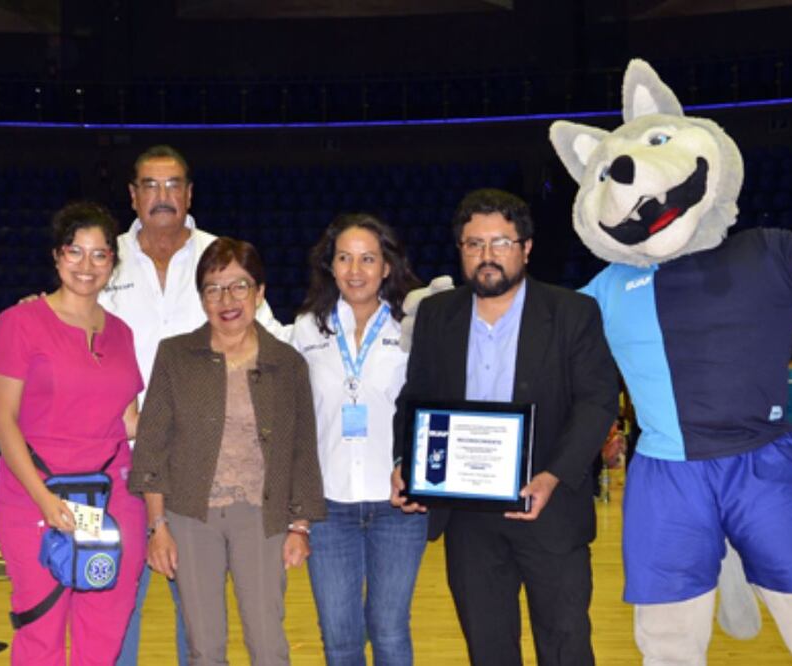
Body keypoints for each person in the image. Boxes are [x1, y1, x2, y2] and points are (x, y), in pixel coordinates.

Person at [390, 189, 618, 666]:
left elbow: (596, 403)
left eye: (500, 242)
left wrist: (553, 476)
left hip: (550, 509)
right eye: (474, 244)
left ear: (526, 247)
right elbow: (415, 399)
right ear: (461, 250)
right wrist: (405, 462)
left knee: (566, 646)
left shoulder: (573, 313)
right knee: (488, 650)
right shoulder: (437, 314)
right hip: (468, 517)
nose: (487, 256)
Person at [102, 145, 280, 666]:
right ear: (132, 195)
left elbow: (268, 344)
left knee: (198, 619)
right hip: (116, 462)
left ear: (190, 194)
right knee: (116, 607)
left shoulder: (220, 258)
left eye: (173, 184)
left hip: (202, 468)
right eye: (150, 186)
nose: (163, 197)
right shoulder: (102, 260)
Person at [130, 237, 325, 665]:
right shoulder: (176, 355)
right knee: (204, 646)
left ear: (260, 292)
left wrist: (300, 526)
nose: (226, 299)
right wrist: (156, 526)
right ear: (201, 298)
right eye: (213, 288)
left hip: (263, 516)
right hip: (189, 516)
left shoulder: (287, 363)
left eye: (239, 286)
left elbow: (302, 450)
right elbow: (152, 445)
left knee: (268, 644)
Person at [0, 202, 147, 664]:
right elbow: (2, 421)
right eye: (76, 251)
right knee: (41, 630)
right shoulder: (19, 324)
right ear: (57, 256)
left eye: (99, 255)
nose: (86, 265)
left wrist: (197, 419)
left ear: (112, 264)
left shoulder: (122, 333)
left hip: (111, 499)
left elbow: (129, 420)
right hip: (37, 496)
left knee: (106, 627)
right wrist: (43, 499)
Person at [292, 213, 427, 665]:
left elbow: (429, 405)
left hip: (398, 507)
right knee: (340, 640)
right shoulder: (307, 328)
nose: (355, 270)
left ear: (386, 266)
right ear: (330, 265)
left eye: (368, 259)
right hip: (329, 508)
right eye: (344, 258)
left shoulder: (414, 324)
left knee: (390, 633)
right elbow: (294, 417)